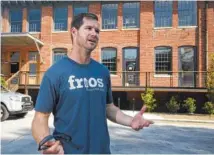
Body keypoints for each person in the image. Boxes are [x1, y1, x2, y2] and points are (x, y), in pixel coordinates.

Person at [31, 13, 153, 154]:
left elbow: (109, 108)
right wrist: (47, 142)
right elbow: (40, 118)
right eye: (88, 28)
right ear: (74, 32)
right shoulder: (55, 73)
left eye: (97, 30)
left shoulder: (102, 72)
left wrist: (131, 121)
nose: (94, 33)